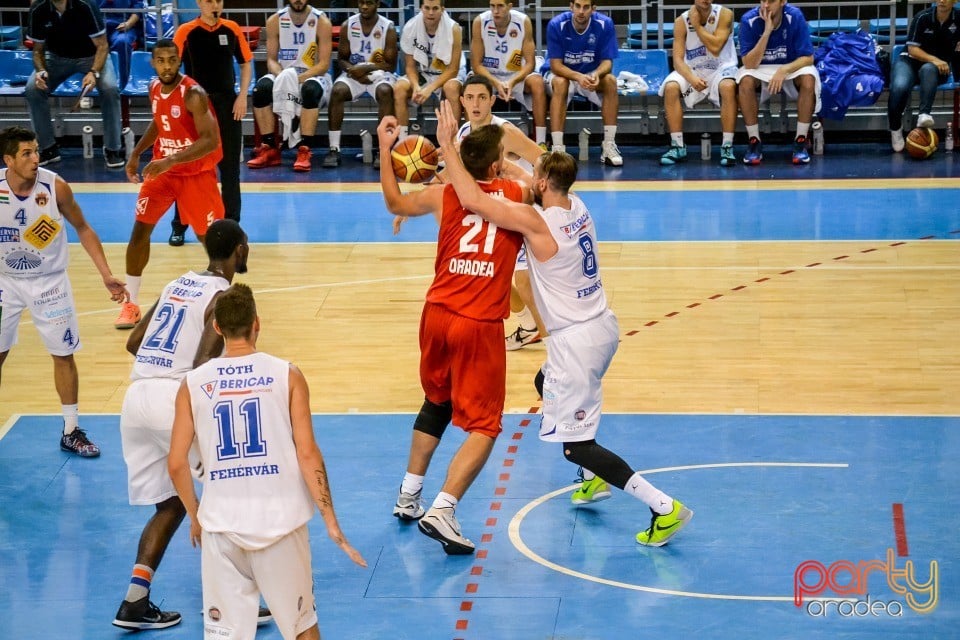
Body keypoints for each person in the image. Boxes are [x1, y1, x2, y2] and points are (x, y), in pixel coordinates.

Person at [435, 100, 694, 547]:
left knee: (575, 444)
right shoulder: (577, 205)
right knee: (543, 379)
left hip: (576, 341)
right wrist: (511, 159)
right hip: (602, 326)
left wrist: (448, 150)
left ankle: (663, 507)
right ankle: (593, 476)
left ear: (542, 183)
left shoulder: (539, 224)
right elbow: (523, 177)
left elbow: (474, 198)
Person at [168, 283, 367, 640]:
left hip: (222, 528)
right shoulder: (287, 375)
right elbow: (307, 453)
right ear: (257, 323)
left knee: (225, 635)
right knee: (301, 627)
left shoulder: (192, 383)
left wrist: (196, 516)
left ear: (217, 329)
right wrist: (331, 521)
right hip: (280, 525)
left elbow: (176, 463)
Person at [378, 113, 527, 555]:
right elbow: (532, 177)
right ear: (496, 166)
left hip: (436, 314)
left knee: (437, 401)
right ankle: (443, 508)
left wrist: (388, 152)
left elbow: (394, 204)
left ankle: (408, 495)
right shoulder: (514, 194)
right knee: (484, 425)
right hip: (477, 323)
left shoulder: (444, 196)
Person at [113, 219, 248, 631]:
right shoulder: (223, 295)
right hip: (173, 401)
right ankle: (240, 597)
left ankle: (135, 601)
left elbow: (134, 342)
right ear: (239, 250)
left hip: (136, 399)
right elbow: (204, 364)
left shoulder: (177, 283)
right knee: (231, 486)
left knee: (171, 504)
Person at [0, 126, 128, 457]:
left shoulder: (56, 187)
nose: (35, 158)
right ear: (8, 160)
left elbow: (83, 228)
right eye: (26, 153)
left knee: (63, 354)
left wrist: (106, 275)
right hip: (5, 283)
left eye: (36, 151)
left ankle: (71, 430)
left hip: (50, 282)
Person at [115, 39, 224, 330]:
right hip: (164, 171)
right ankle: (131, 303)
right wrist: (137, 153)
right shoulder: (153, 87)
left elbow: (210, 140)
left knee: (208, 239)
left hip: (195, 173)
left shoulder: (193, 94)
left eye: (171, 60)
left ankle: (223, 304)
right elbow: (159, 123)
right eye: (161, 60)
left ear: (179, 62)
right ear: (153, 62)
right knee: (140, 231)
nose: (166, 66)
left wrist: (171, 160)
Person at [453, 74, 547, 351]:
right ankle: (529, 324)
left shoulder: (504, 132)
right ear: (462, 102)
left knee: (523, 280)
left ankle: (555, 345)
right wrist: (414, 200)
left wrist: (543, 190)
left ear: (492, 100)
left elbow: (540, 157)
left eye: (482, 97)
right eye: (470, 98)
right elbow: (452, 174)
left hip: (523, 208)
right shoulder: (464, 133)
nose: (476, 103)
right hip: (498, 212)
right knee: (494, 275)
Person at [167, 0, 252, 246]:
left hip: (227, 104)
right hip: (197, 105)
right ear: (199, 3)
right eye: (208, 0)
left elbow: (246, 64)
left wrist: (242, 96)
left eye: (218, 0)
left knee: (230, 169)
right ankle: (179, 225)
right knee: (189, 168)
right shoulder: (186, 31)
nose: (214, 4)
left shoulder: (232, 28)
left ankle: (232, 226)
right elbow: (173, 69)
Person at [25, 0, 125, 168]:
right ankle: (48, 148)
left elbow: (102, 46)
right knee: (33, 89)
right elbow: (37, 50)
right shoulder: (38, 9)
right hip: (56, 58)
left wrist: (94, 72)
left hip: (91, 57)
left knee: (109, 88)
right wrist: (41, 71)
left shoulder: (86, 5)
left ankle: (113, 148)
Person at [247, 0, 334, 173]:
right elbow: (271, 59)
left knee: (309, 91)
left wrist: (297, 79)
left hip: (314, 75)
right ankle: (270, 147)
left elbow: (324, 64)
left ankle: (304, 149)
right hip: (284, 73)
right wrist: (281, 77)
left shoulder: (321, 21)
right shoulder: (275, 21)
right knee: (260, 89)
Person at [540, 0, 623, 166]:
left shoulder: (604, 24)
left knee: (611, 81)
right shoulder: (557, 24)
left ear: (593, 9)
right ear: (571, 7)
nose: (581, 11)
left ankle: (608, 145)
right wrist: (578, 76)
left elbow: (607, 62)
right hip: (562, 74)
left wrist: (596, 74)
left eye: (586, 7)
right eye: (577, 6)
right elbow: (556, 65)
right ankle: (557, 149)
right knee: (561, 83)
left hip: (589, 74)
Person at [737, 0, 819, 165]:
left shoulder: (794, 16)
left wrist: (783, 70)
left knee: (809, 80)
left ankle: (800, 141)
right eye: (763, 1)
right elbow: (749, 63)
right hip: (760, 67)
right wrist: (767, 32)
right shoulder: (748, 20)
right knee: (745, 81)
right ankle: (754, 142)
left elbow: (808, 58)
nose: (766, 5)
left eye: (772, 1)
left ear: (783, 2)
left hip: (789, 66)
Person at [659, 0, 739, 167]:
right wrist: (692, 79)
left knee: (728, 87)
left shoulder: (725, 14)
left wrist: (697, 25)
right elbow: (678, 61)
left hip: (721, 68)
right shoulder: (681, 21)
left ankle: (727, 145)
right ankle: (677, 145)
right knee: (671, 87)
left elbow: (716, 47)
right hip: (694, 71)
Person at [321, 0, 396, 169]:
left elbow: (390, 64)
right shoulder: (348, 25)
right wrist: (354, 71)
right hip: (353, 74)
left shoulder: (388, 27)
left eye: (369, 3)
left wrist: (366, 67)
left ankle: (382, 150)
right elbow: (341, 58)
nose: (364, 7)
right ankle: (334, 148)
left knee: (385, 91)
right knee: (337, 91)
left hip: (379, 73)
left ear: (378, 4)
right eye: (361, 2)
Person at [469, 0, 548, 148]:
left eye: (500, 6)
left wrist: (511, 82)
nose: (495, 10)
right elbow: (476, 64)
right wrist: (496, 83)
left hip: (517, 75)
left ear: (510, 7)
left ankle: (541, 142)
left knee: (537, 82)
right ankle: (473, 141)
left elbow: (530, 63)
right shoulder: (480, 22)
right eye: (492, 6)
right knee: (471, 86)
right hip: (490, 75)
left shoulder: (523, 22)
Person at [887, 0, 960, 152]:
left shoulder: (958, 19)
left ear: (955, 1)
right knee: (899, 86)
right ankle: (895, 128)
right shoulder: (922, 17)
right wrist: (936, 60)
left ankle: (924, 114)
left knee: (928, 69)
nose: (942, 1)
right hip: (910, 61)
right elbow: (913, 49)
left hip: (936, 68)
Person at [394, 0, 466, 139]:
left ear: (442, 9)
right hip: (424, 72)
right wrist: (416, 86)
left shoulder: (454, 29)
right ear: (421, 8)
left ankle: (453, 141)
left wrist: (429, 89)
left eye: (435, 8)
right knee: (399, 88)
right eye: (427, 8)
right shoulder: (410, 28)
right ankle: (402, 141)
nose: (431, 13)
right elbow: (410, 66)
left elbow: (453, 69)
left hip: (448, 73)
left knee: (451, 88)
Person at [99, 0, 146, 89]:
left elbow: (137, 9)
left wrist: (128, 24)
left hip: (123, 26)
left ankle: (122, 86)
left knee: (122, 42)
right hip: (98, 27)